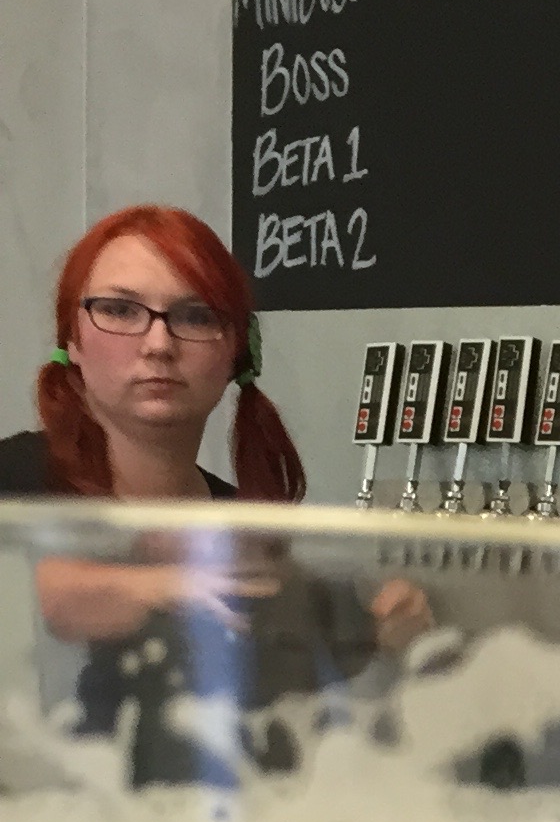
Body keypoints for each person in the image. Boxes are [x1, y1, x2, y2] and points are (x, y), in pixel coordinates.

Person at [1, 204, 423, 694]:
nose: (158, 344)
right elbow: (42, 600)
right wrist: (156, 589)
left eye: (196, 316)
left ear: (235, 353)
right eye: (119, 310)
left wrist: (386, 629)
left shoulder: (250, 535)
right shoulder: (13, 481)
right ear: (72, 338)